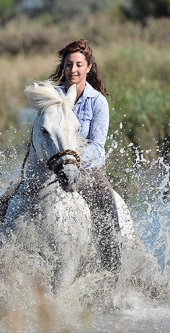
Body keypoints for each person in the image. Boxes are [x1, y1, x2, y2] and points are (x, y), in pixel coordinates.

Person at [49, 38, 121, 272]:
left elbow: (98, 148)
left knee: (107, 209)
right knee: (2, 205)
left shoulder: (98, 102)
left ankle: (113, 270)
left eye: (79, 64)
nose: (73, 70)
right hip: (53, 167)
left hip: (88, 172)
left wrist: (74, 157)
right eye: (69, 64)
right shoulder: (52, 98)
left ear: (88, 67)